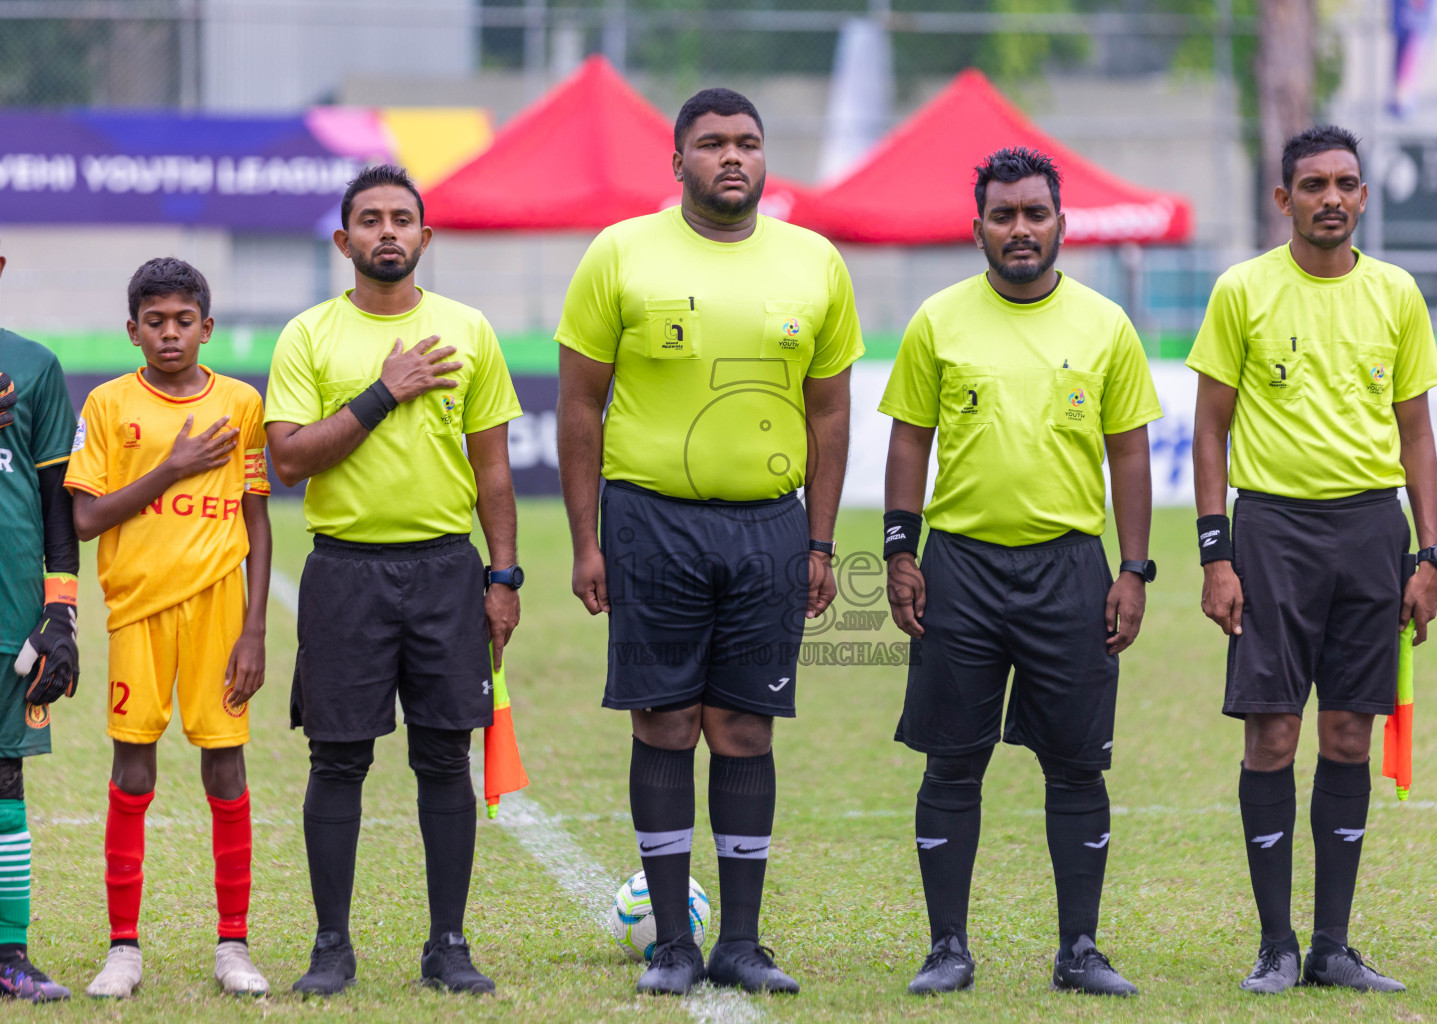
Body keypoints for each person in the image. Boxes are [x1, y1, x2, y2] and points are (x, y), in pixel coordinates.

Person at [556, 88, 862, 997]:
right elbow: (579, 403)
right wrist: (586, 540)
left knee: (743, 725)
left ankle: (739, 942)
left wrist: (818, 541)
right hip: (651, 518)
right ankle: (672, 948)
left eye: (748, 143)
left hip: (769, 523)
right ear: (677, 160)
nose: (732, 157)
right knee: (665, 720)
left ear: (766, 157)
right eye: (712, 144)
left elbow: (830, 409)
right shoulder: (621, 252)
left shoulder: (815, 262)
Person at [881, 147, 1161, 999]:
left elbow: (1131, 453)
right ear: (978, 230)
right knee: (951, 762)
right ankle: (947, 949)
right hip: (959, 567)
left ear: (1061, 225)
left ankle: (1080, 950)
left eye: (1034, 213)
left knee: (1077, 765)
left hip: (1071, 568)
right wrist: (900, 550)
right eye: (1003, 216)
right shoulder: (938, 320)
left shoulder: (1105, 325)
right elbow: (907, 441)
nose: (1020, 229)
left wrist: (1134, 568)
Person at [1187, 125, 1437, 995]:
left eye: (1345, 183)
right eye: (1312, 184)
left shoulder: (1398, 294)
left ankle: (1333, 947)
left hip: (1374, 533)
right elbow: (1211, 430)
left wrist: (1431, 555)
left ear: (1363, 196)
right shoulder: (1243, 291)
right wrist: (1216, 554)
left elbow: (1416, 434)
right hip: (1271, 535)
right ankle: (1276, 946)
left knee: (1347, 731)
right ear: (1283, 198)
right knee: (1273, 732)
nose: (1330, 197)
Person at [265, 165, 523, 996]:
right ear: (344, 242)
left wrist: (504, 575)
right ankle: (331, 947)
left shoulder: (469, 330)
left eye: (401, 219)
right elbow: (292, 458)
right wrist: (385, 389)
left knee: (445, 758)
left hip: (448, 570)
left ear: (425, 237)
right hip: (345, 572)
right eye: (369, 219)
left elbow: (494, 471)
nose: (387, 231)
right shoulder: (308, 335)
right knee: (337, 761)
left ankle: (448, 945)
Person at [64, 258, 272, 998]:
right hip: (138, 613)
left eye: (184, 320)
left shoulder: (242, 403)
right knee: (134, 768)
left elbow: (256, 515)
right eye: (155, 321)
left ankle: (234, 944)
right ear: (132, 330)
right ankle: (124, 948)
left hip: (218, 609)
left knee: (226, 767)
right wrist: (173, 465)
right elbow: (85, 519)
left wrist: (256, 630)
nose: (171, 333)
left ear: (207, 328)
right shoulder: (108, 404)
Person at [0, 245, 79, 1003]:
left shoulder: (36, 367)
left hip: (9, 619)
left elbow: (59, 503)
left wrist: (61, 612)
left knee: (4, 780)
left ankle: (9, 954)